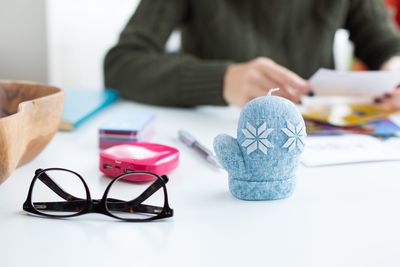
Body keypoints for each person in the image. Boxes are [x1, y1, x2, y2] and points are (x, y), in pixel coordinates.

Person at [104, 0, 400, 108]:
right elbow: (121, 63)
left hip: (317, 147)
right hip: (213, 141)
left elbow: (385, 44)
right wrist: (222, 81)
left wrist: (394, 71)